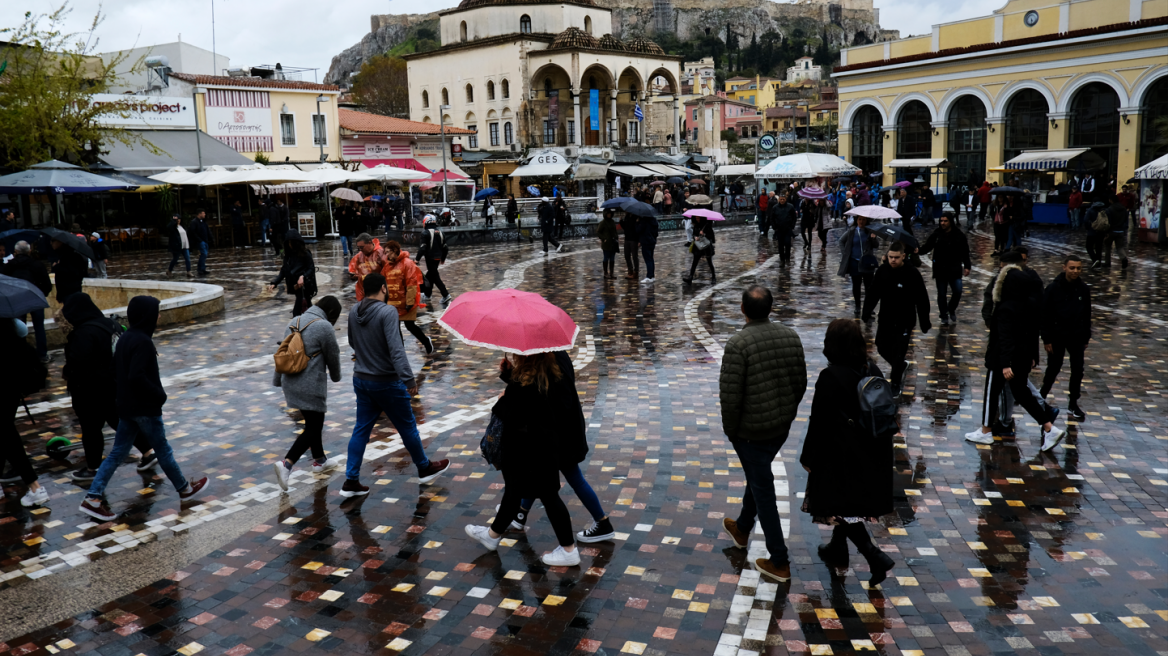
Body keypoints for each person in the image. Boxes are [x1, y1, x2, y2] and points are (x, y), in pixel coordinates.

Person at [79, 296, 210, 521]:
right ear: (146, 316)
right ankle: (185, 489)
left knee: (117, 453)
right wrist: (159, 395)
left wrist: (125, 396)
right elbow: (137, 376)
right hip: (145, 408)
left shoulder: (125, 338)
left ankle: (93, 497)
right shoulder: (143, 342)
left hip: (127, 408)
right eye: (155, 312)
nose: (158, 316)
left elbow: (113, 372)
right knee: (163, 450)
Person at [465, 349, 590, 565]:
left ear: (526, 356)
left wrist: (502, 399)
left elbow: (512, 414)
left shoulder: (524, 385)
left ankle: (569, 550)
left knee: (539, 496)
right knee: (517, 494)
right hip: (545, 447)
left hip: (525, 449)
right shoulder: (548, 372)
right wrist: (509, 375)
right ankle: (492, 536)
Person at [718, 286, 806, 582]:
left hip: (750, 432)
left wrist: (732, 432)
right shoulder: (790, 336)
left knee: (763, 488)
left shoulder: (738, 344)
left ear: (742, 309)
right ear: (770, 308)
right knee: (758, 476)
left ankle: (779, 559)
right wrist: (787, 413)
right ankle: (742, 527)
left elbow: (730, 398)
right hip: (779, 426)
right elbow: (801, 382)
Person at [801, 318, 896, 584]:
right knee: (848, 503)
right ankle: (837, 550)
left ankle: (875, 556)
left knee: (837, 505)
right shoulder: (872, 368)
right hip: (872, 450)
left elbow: (818, 421)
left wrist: (809, 457)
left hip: (842, 454)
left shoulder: (830, 377)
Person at [343, 273, 448, 497]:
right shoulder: (387, 311)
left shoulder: (354, 311)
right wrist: (409, 380)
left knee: (361, 429)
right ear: (383, 288)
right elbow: (396, 349)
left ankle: (351, 480)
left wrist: (367, 351)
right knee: (407, 425)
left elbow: (352, 342)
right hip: (386, 381)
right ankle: (424, 467)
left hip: (361, 379)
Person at [965, 251, 1067, 451]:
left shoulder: (1005, 308)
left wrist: (1004, 363)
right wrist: (1031, 356)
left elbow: (1005, 338)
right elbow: (1031, 334)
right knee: (1022, 393)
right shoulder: (1027, 307)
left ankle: (986, 431)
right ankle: (1049, 428)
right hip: (1022, 357)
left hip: (1003, 359)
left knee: (992, 392)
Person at [62, 292, 158, 482]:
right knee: (120, 421)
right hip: (115, 385)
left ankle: (93, 468)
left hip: (92, 391)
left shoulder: (83, 333)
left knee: (91, 429)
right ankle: (148, 452)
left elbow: (79, 364)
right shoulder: (110, 324)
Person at [272, 296, 343, 491]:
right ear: (331, 314)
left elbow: (283, 350)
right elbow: (333, 355)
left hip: (290, 380)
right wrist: (336, 377)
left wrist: (278, 380)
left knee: (313, 421)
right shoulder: (324, 327)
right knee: (314, 426)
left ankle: (320, 460)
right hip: (310, 383)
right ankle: (286, 464)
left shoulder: (294, 321)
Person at [863, 242, 932, 393]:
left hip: (904, 321)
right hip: (886, 318)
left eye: (896, 257)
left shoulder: (912, 273)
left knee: (899, 351)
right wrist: (866, 311)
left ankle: (895, 384)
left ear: (903, 256)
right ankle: (899, 366)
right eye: (890, 257)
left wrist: (924, 321)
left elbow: (922, 298)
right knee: (881, 346)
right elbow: (873, 292)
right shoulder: (882, 271)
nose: (893, 260)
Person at [0, 315, 49, 507]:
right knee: (5, 434)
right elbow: (21, 330)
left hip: (5, 385)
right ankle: (34, 487)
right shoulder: (8, 321)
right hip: (12, 385)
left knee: (7, 436)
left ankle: (35, 487)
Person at [1040, 257, 1091, 422]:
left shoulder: (1083, 289)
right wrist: (1046, 338)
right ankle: (1041, 397)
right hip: (1057, 336)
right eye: (1072, 268)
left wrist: (1086, 335)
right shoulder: (1053, 288)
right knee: (1053, 368)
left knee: (1078, 369)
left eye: (1078, 268)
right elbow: (1045, 314)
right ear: (1064, 268)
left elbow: (1087, 314)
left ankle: (1073, 403)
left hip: (1076, 336)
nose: (1075, 271)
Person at [916, 212, 971, 326]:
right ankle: (943, 315)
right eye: (941, 221)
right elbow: (927, 246)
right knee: (942, 293)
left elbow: (965, 252)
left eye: (945, 221)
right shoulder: (937, 234)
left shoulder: (959, 235)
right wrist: (918, 251)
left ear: (950, 221)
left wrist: (967, 266)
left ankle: (951, 308)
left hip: (954, 268)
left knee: (957, 291)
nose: (943, 223)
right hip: (940, 268)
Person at [381, 240, 433, 354]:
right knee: (395, 327)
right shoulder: (387, 265)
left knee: (410, 325)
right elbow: (383, 282)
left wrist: (409, 302)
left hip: (405, 302)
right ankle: (400, 352)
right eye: (385, 253)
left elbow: (411, 283)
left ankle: (425, 341)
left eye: (388, 252)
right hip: (392, 302)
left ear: (395, 251)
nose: (386, 255)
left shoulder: (407, 263)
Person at [5, 240, 52, 362]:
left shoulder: (10, 265)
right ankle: (42, 355)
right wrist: (41, 294)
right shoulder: (37, 264)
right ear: (29, 251)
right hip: (34, 297)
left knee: (19, 328)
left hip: (16, 299)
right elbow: (47, 284)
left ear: (15, 251)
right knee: (39, 327)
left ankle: (22, 356)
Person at [837, 215, 880, 318]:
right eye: (859, 219)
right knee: (856, 285)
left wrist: (873, 239)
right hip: (854, 263)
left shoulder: (870, 231)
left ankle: (868, 307)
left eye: (863, 219)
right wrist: (846, 254)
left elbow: (876, 245)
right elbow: (841, 241)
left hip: (867, 263)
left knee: (869, 287)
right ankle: (857, 306)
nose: (861, 221)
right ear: (857, 220)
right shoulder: (852, 231)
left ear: (866, 221)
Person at [269, 229, 317, 317]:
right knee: (306, 307)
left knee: (298, 310)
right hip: (296, 286)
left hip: (305, 286)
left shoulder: (305, 254)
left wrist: (303, 276)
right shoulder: (288, 256)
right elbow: (284, 270)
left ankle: (301, 326)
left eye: (291, 242)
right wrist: (275, 282)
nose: (289, 245)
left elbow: (311, 268)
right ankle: (309, 323)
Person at [416, 217, 452, 303]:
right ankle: (427, 295)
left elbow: (422, 248)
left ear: (425, 223)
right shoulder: (441, 232)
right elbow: (445, 248)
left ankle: (445, 294)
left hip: (430, 257)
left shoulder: (425, 233)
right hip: (438, 258)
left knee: (435, 276)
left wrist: (417, 259)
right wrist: (443, 258)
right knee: (430, 275)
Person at [349, 233, 388, 302]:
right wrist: (354, 275)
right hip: (363, 294)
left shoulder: (381, 253)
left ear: (370, 243)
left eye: (362, 247)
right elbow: (353, 269)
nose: (360, 249)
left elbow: (388, 272)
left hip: (378, 293)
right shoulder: (359, 256)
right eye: (358, 248)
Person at [51, 237, 87, 302]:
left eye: (53, 241)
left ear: (60, 243)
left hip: (69, 290)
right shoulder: (72, 256)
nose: (51, 243)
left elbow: (70, 272)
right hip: (72, 289)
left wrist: (56, 267)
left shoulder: (68, 257)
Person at [683, 216, 715, 285]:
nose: (697, 219)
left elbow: (712, 236)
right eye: (696, 218)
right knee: (694, 262)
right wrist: (695, 237)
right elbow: (694, 234)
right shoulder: (696, 225)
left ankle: (713, 277)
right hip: (698, 246)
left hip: (706, 247)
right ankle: (690, 277)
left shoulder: (707, 225)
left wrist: (704, 234)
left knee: (709, 262)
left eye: (698, 218)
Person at [1101, 194, 1130, 269]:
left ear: (1111, 200)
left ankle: (1107, 263)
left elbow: (1108, 222)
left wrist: (1106, 232)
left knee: (1107, 246)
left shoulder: (1110, 209)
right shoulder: (1123, 208)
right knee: (1120, 247)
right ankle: (1124, 258)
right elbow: (1126, 220)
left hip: (1111, 231)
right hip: (1120, 231)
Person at [769, 193, 797, 264]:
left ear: (785, 199)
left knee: (787, 244)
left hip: (788, 228)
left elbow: (794, 217)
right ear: (779, 200)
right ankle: (782, 259)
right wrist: (774, 227)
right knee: (780, 245)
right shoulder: (775, 207)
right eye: (781, 199)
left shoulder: (790, 207)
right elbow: (771, 218)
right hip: (779, 229)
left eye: (783, 199)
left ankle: (787, 258)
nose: (782, 201)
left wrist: (792, 226)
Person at [1083, 199, 1109, 268]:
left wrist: (1088, 228)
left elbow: (1085, 220)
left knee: (1089, 247)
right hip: (1101, 232)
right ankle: (1099, 262)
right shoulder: (1104, 211)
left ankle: (1095, 260)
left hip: (1092, 232)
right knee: (1099, 248)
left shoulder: (1090, 210)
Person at [164, 213, 191, 278]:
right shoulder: (173, 227)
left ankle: (189, 271)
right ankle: (169, 270)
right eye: (177, 219)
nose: (178, 220)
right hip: (177, 246)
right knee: (175, 259)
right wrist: (173, 221)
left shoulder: (182, 226)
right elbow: (168, 227)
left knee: (187, 258)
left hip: (185, 245)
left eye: (179, 219)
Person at [637, 211, 658, 284]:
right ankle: (652, 276)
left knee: (648, 259)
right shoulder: (654, 221)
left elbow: (638, 230)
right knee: (651, 259)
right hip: (652, 241)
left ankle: (649, 276)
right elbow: (656, 233)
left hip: (646, 241)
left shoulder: (644, 221)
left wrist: (637, 222)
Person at [189, 210, 212, 277]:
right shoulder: (194, 222)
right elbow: (193, 232)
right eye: (203, 213)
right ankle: (200, 269)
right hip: (200, 241)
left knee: (205, 254)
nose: (204, 214)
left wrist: (211, 238)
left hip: (205, 240)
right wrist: (199, 240)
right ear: (199, 214)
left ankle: (202, 268)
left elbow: (207, 230)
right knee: (203, 254)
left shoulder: (204, 222)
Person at [597, 209, 619, 278]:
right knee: (606, 258)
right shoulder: (603, 223)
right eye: (608, 213)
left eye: (610, 213)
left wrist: (616, 237)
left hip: (613, 243)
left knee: (612, 258)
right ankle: (605, 273)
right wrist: (604, 239)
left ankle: (611, 273)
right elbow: (598, 232)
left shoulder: (612, 221)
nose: (609, 215)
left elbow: (615, 230)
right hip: (606, 243)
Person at [620, 212, 639, 279]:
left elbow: (637, 229)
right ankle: (630, 270)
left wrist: (639, 240)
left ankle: (636, 271)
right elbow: (625, 227)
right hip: (627, 239)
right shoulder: (627, 217)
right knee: (627, 255)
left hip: (634, 239)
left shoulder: (635, 217)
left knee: (634, 256)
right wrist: (621, 221)